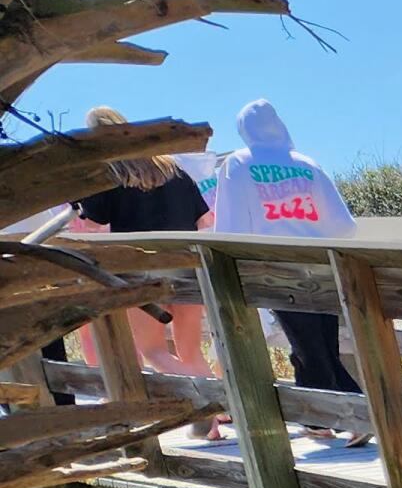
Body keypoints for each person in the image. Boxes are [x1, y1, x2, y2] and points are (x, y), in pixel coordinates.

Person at [203, 99, 360, 394]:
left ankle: (335, 409)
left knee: (309, 351)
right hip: (321, 265)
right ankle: (344, 407)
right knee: (324, 348)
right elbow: (345, 226)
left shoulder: (238, 163)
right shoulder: (307, 164)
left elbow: (231, 228)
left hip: (274, 267)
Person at [62, 105, 212, 379]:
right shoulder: (171, 167)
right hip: (187, 264)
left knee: (153, 350)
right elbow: (204, 218)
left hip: (142, 268)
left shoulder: (111, 173)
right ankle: (221, 401)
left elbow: (93, 222)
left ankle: (212, 400)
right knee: (191, 353)